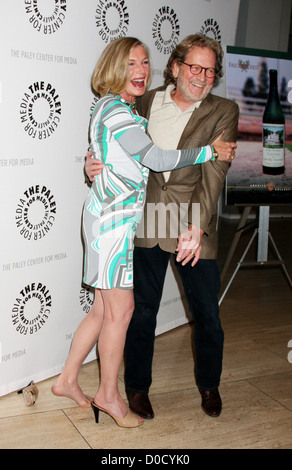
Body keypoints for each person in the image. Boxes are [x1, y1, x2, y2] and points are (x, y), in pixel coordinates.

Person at [52, 36, 236, 429]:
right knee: (131, 311)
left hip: (182, 220)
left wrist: (198, 225)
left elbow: (215, 175)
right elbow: (148, 155)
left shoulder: (222, 110)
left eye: (210, 70)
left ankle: (69, 379)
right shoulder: (139, 102)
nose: (202, 77)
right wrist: (93, 161)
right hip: (127, 221)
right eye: (194, 68)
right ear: (176, 68)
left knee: (198, 312)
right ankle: (119, 392)